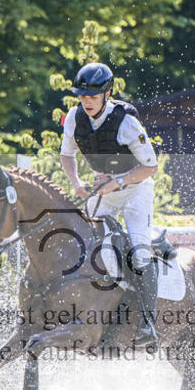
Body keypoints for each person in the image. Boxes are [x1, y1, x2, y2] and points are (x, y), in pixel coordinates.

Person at [59, 61, 160, 347]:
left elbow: (150, 167)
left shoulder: (127, 122)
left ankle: (147, 325)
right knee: (82, 242)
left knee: (139, 251)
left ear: (107, 93)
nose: (87, 102)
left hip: (135, 190)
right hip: (104, 190)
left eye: (93, 96)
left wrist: (118, 181)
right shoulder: (74, 118)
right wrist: (76, 182)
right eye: (82, 96)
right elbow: (67, 155)